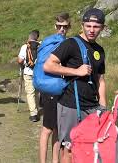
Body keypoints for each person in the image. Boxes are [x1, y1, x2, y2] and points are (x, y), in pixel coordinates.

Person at [43, 8, 107, 163]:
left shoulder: (99, 50)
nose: (92, 30)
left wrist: (103, 108)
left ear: (102, 28)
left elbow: (100, 79)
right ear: (82, 25)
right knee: (69, 150)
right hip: (71, 104)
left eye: (96, 26)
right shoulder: (71, 43)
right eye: (88, 25)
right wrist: (76, 71)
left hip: (92, 106)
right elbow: (48, 65)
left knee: (89, 149)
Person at [39, 13, 71, 163]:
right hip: (52, 89)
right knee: (47, 129)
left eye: (65, 27)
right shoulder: (57, 43)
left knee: (57, 129)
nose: (62, 30)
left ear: (69, 27)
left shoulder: (46, 42)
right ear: (55, 26)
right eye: (60, 26)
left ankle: (55, 161)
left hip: (53, 89)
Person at [17, 30, 40, 122]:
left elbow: (20, 60)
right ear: (37, 37)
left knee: (30, 93)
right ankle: (37, 110)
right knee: (37, 93)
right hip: (38, 73)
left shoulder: (25, 46)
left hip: (28, 72)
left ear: (29, 37)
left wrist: (22, 65)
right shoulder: (41, 46)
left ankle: (33, 114)